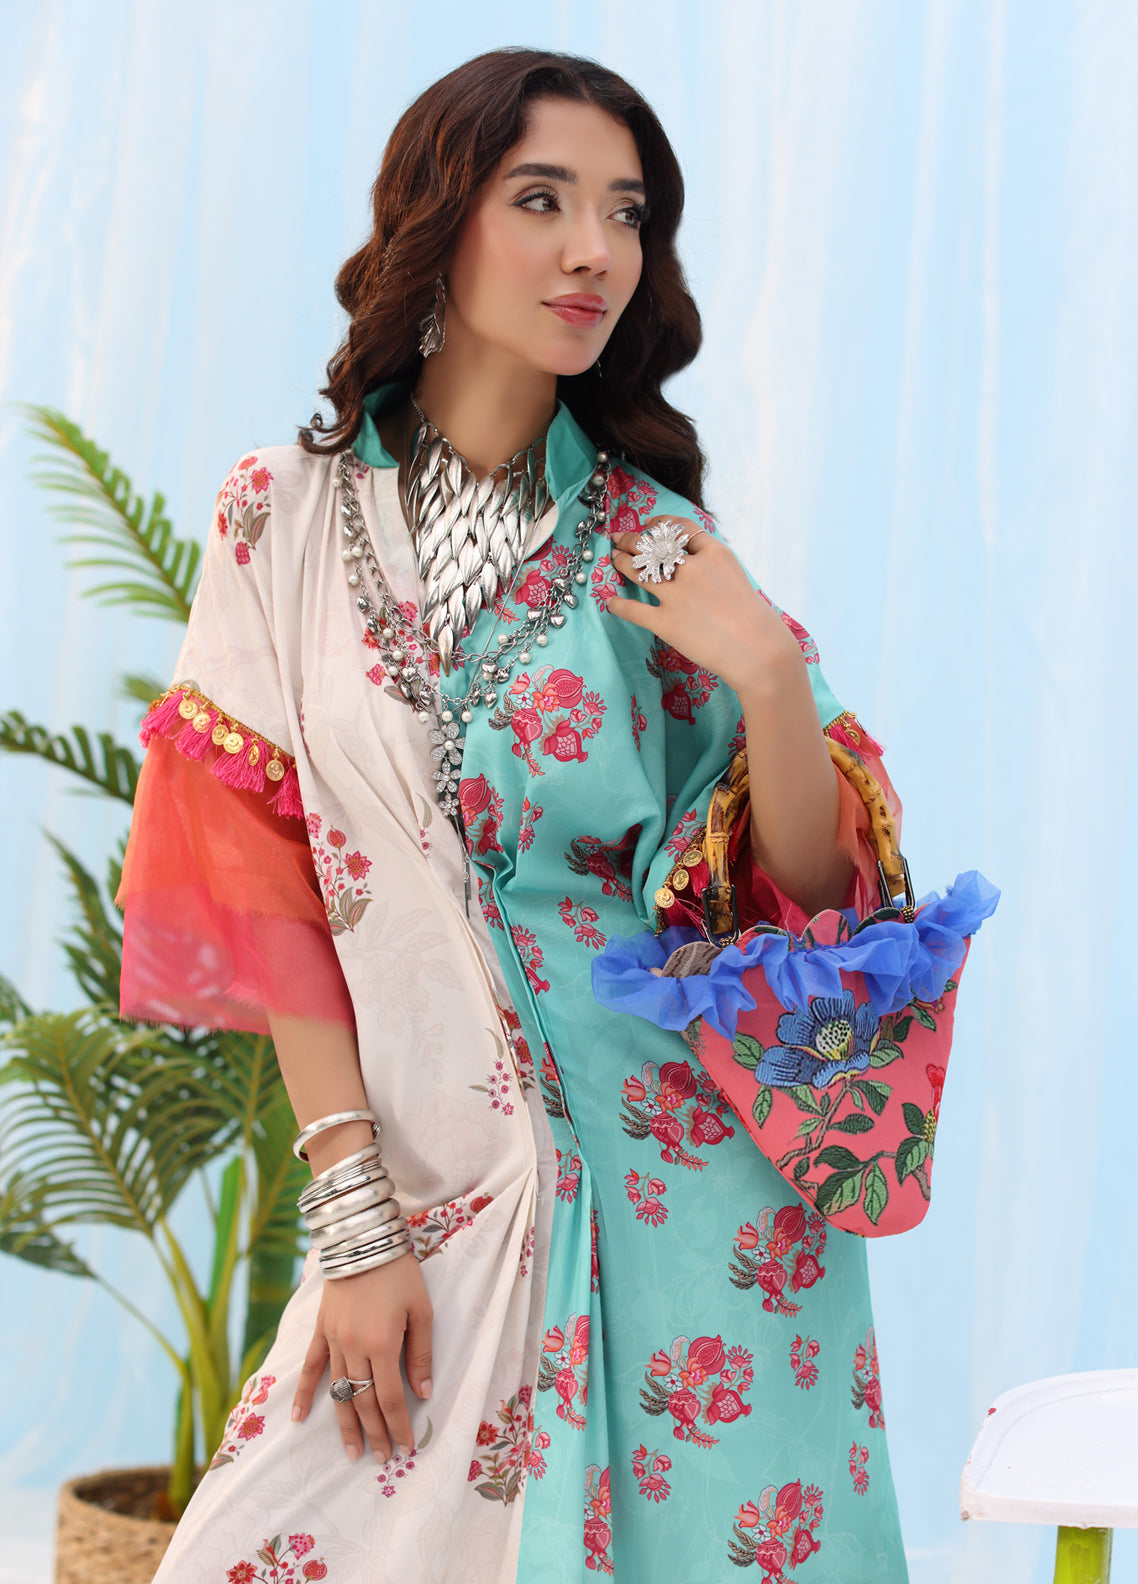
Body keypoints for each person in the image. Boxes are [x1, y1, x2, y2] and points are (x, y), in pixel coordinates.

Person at [118, 47, 909, 1584]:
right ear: (440, 217)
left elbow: (808, 908)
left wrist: (765, 677)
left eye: (625, 212)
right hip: (430, 1170)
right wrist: (356, 1217)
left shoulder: (653, 546)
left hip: (692, 1197)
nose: (592, 249)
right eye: (541, 199)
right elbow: (272, 880)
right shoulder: (281, 513)